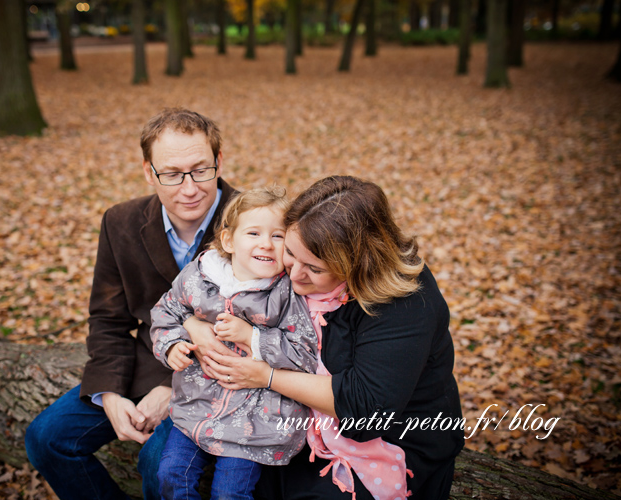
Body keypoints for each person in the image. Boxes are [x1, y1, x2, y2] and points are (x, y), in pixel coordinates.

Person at [190, 176, 464, 500]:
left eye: (314, 269)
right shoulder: (302, 250)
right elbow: (217, 292)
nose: (293, 275)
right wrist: (196, 326)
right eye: (290, 253)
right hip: (301, 419)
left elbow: (365, 407)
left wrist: (267, 376)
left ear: (357, 264)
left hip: (386, 437)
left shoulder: (406, 305)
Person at [24, 108, 238, 500]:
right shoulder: (120, 222)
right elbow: (108, 319)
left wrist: (172, 390)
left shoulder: (252, 223)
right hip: (141, 365)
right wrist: (109, 395)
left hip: (221, 381)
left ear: (219, 162)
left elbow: (271, 326)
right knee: (46, 439)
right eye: (171, 174)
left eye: (201, 170)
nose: (188, 188)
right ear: (148, 172)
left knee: (159, 465)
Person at [150, 187, 320, 500]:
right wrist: (173, 344)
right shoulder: (200, 276)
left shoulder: (287, 293)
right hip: (196, 409)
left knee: (230, 494)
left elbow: (305, 354)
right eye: (253, 233)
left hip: (254, 424)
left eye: (278, 236)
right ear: (229, 240)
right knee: (170, 475)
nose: (266, 244)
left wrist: (252, 337)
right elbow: (166, 311)